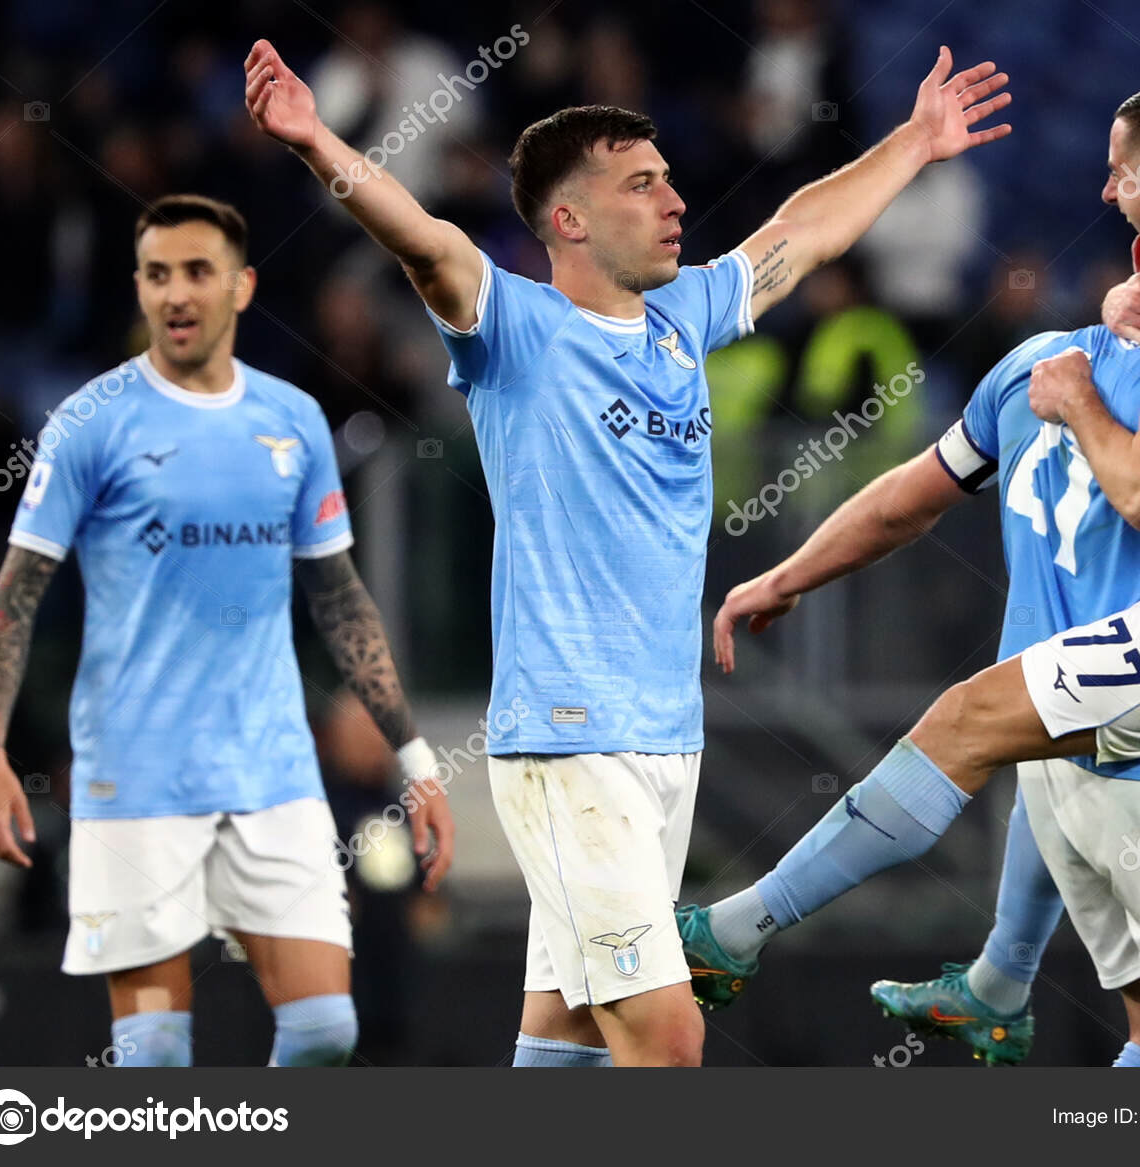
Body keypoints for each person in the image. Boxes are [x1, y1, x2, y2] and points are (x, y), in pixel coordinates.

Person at [244, 38, 1012, 1067]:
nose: (674, 201)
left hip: (663, 736)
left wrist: (914, 143)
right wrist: (314, 143)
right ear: (568, 218)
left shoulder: (681, 318)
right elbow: (422, 240)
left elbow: (802, 234)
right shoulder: (514, 327)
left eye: (669, 181)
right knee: (664, 1035)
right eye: (642, 185)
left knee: (562, 1037)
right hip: (570, 740)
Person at [680, 236, 1140, 1067]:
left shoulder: (1035, 366)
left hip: (1059, 747)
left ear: (1136, 257)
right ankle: (784, 939)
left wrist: (788, 575)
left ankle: (990, 979)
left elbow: (904, 502)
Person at [0, 194, 454, 1067]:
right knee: (153, 1052)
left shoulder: (293, 420)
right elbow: (16, 593)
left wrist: (411, 752)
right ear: (140, 288)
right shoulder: (90, 422)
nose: (177, 292)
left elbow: (336, 595)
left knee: (324, 1032)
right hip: (138, 773)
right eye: (158, 274)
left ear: (242, 286)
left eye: (198, 271)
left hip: (271, 769)